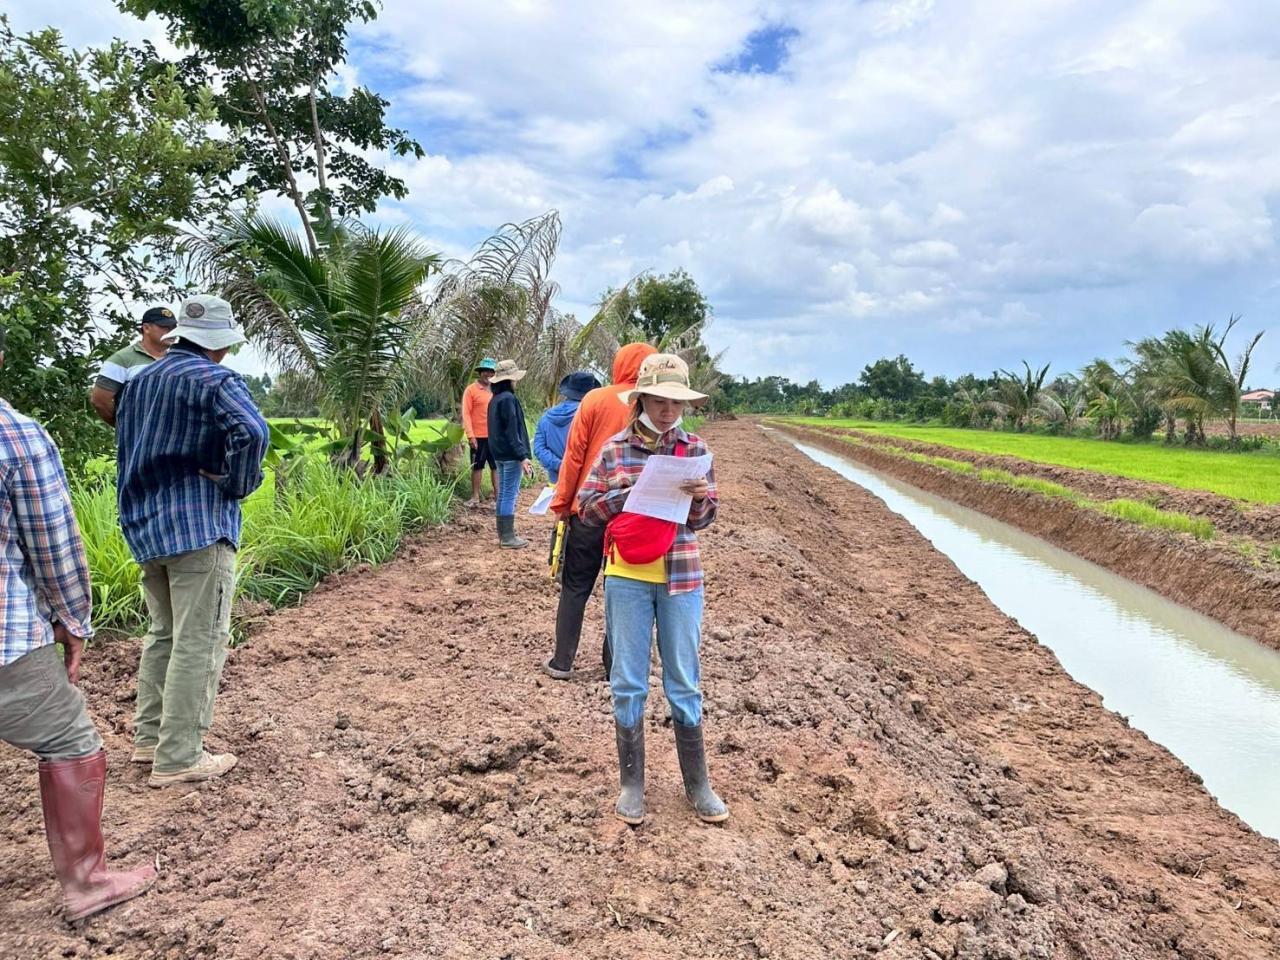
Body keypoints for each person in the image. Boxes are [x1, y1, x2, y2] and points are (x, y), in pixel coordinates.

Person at [0, 322, 157, 920]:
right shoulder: (14, 435)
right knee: (68, 741)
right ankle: (87, 882)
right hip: (8, 636)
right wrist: (73, 620)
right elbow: (54, 546)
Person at [115, 295, 270, 787]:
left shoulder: (139, 383)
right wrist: (235, 483)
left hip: (146, 524)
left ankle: (149, 740)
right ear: (219, 346)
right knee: (199, 640)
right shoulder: (215, 379)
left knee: (162, 634)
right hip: (199, 524)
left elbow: (125, 448)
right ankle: (180, 755)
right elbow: (252, 431)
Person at [577, 353, 727, 825]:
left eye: (676, 402)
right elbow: (587, 509)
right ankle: (632, 785)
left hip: (681, 576)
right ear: (641, 398)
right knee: (628, 681)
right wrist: (629, 495)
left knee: (684, 680)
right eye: (659, 400)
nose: (667, 411)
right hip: (627, 576)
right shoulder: (615, 450)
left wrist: (701, 499)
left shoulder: (695, 450)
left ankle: (698, 785)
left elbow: (704, 520)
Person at [542, 342, 656, 681]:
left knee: (576, 585)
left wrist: (563, 504)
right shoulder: (652, 404)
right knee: (621, 589)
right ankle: (614, 665)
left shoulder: (594, 400)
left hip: (589, 508)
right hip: (634, 513)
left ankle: (562, 661)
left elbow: (574, 457)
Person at [89, 305, 177, 426]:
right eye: (165, 327)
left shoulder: (176, 360)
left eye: (173, 328)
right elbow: (100, 400)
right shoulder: (122, 359)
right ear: (146, 328)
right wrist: (125, 426)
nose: (171, 332)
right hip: (137, 441)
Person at [487, 359, 534, 549]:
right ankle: (507, 537)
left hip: (498, 453)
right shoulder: (508, 399)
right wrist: (522, 456)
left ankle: (503, 534)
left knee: (503, 494)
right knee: (509, 494)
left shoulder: (495, 400)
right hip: (511, 454)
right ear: (509, 380)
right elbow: (513, 431)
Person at [533, 371, 600, 483]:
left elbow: (539, 448)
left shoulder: (546, 417)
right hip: (585, 480)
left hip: (556, 480)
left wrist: (560, 465)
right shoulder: (592, 417)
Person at [461, 358, 498, 508]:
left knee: (496, 466)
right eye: (486, 371)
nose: (488, 374)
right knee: (477, 466)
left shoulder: (497, 389)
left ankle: (498, 498)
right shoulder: (471, 390)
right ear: (480, 373)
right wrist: (470, 435)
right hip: (478, 436)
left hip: (495, 436)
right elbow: (466, 413)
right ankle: (475, 497)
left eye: (491, 371)